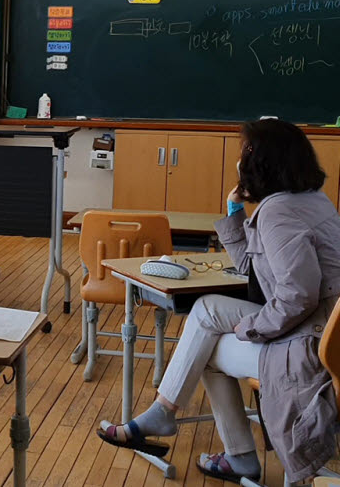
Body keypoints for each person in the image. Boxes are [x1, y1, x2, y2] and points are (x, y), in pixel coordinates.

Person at [98, 119, 340, 483]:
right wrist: (233, 213)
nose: (241, 160)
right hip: (324, 335)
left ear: (263, 162)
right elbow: (253, 268)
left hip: (307, 348)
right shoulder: (311, 201)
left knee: (206, 352)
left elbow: (298, 296)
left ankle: (235, 453)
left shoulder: (278, 213)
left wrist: (254, 327)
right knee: (207, 309)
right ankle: (166, 413)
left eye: (247, 152)